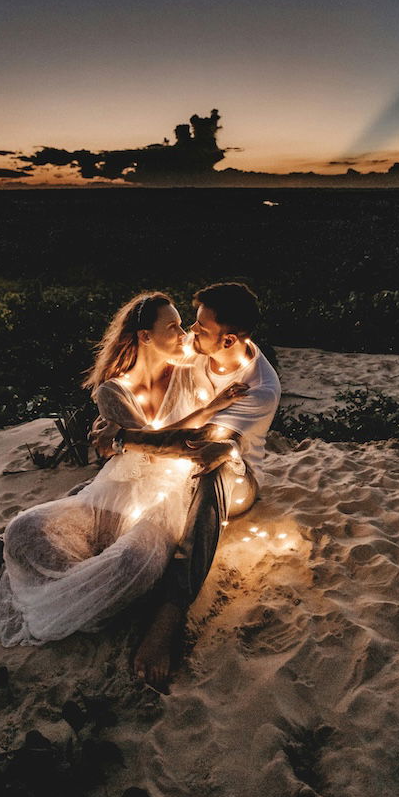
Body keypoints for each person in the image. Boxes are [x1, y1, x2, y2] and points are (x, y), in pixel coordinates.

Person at [0, 291, 248, 648]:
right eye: (173, 327)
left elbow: (163, 441)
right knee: (26, 528)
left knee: (131, 559)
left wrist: (130, 436)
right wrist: (191, 417)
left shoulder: (193, 370)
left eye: (183, 325)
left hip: (174, 492)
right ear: (145, 336)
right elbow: (153, 445)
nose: (185, 334)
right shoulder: (113, 391)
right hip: (120, 486)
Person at [94, 282, 281, 688]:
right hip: (175, 465)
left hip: (236, 480)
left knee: (211, 465)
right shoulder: (197, 354)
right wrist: (116, 420)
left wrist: (124, 439)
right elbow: (147, 376)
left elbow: (199, 447)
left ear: (228, 338)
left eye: (200, 328)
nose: (191, 334)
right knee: (118, 475)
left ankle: (170, 612)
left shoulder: (260, 387)